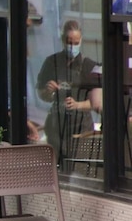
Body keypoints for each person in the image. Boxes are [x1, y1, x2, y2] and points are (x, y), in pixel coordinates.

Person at [36, 20, 100, 161]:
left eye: (76, 43)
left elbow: (98, 103)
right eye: (69, 42)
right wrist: (48, 91)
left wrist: (77, 105)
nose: (72, 46)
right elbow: (41, 94)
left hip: (81, 128)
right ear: (62, 40)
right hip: (56, 127)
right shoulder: (51, 63)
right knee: (55, 166)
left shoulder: (89, 66)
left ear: (81, 41)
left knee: (78, 166)